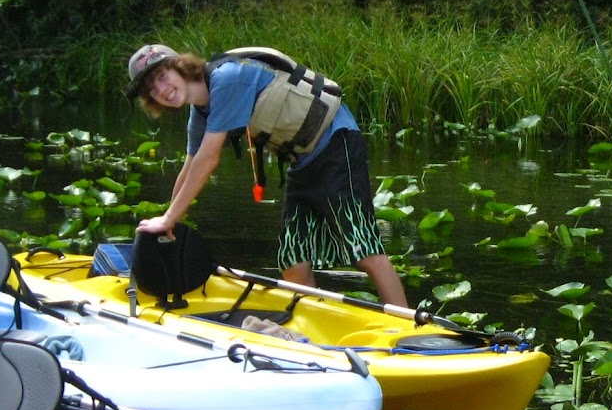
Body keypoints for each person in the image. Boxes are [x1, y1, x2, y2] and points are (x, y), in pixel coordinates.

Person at [126, 43, 407, 307]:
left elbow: (208, 160)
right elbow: (190, 167)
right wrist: (168, 223)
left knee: (364, 250)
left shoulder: (227, 79)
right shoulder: (199, 114)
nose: (162, 89)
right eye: (152, 89)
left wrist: (169, 218)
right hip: (303, 161)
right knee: (293, 261)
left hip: (336, 141)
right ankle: (318, 327)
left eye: (163, 76)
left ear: (180, 66)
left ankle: (408, 330)